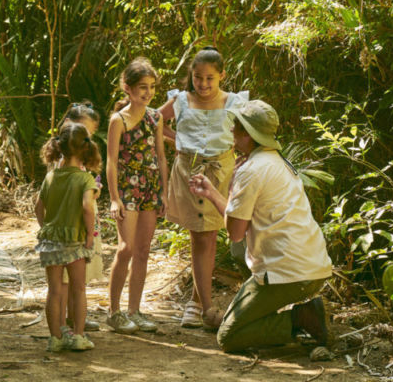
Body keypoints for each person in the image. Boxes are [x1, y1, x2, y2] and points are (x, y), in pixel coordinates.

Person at [188, 100, 332, 353]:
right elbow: (238, 219)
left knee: (229, 336)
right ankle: (292, 315)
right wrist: (211, 193)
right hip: (312, 268)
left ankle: (301, 318)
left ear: (248, 134)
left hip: (288, 274)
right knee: (239, 254)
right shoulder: (276, 161)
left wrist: (231, 186)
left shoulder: (251, 170)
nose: (231, 130)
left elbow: (235, 233)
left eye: (236, 126)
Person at [158, 46, 247, 329]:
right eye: (198, 78)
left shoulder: (234, 102)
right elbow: (154, 120)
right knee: (200, 237)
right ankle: (203, 307)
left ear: (222, 75)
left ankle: (198, 304)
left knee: (209, 236)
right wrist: (177, 139)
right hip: (190, 172)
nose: (203, 84)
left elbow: (250, 132)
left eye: (210, 78)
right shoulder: (182, 100)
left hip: (222, 171)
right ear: (191, 76)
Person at [105, 58, 168, 334]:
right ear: (128, 89)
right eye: (143, 87)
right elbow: (111, 161)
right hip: (127, 190)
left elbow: (161, 157)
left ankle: (135, 311)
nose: (148, 92)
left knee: (143, 250)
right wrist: (114, 197)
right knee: (126, 249)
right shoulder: (118, 120)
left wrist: (164, 192)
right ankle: (114, 312)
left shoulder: (156, 117)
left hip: (150, 189)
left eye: (152, 87)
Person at [35, 122, 101, 352]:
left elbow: (38, 207)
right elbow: (87, 207)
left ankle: (55, 338)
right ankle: (78, 336)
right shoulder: (85, 179)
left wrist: (47, 228)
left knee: (54, 290)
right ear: (86, 149)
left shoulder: (51, 177)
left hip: (51, 241)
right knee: (78, 289)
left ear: (60, 148)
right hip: (75, 241)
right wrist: (90, 235)